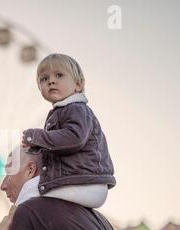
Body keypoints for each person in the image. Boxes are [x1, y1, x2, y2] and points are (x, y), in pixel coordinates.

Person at [21, 53, 116, 209]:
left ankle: (9, 229)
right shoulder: (63, 111)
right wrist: (35, 147)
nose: (51, 81)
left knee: (28, 192)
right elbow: (60, 145)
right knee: (34, 193)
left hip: (85, 181)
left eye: (59, 75)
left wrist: (38, 137)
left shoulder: (76, 109)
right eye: (44, 79)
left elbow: (74, 139)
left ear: (78, 85)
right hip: (82, 180)